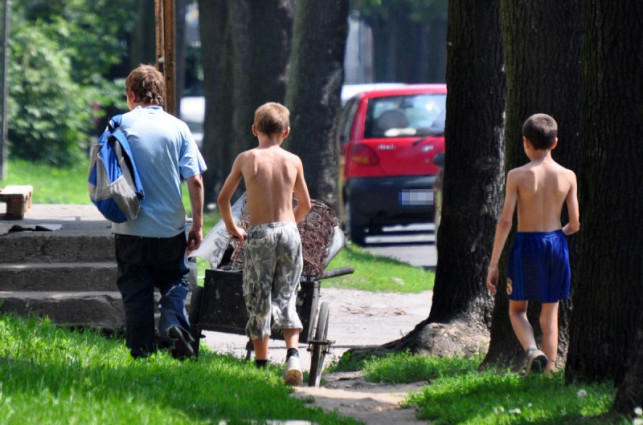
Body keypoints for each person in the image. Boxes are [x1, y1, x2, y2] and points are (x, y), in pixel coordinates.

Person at [113, 64, 207, 360]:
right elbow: (195, 180)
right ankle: (173, 323)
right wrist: (198, 225)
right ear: (159, 95)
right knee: (174, 280)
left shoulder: (118, 125)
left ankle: (141, 352)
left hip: (129, 226)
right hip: (169, 228)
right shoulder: (178, 127)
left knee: (135, 288)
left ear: (132, 95)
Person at [217, 102, 312, 386]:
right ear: (286, 132)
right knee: (287, 293)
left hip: (259, 234)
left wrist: (233, 227)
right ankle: (293, 356)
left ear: (254, 129)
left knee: (259, 297)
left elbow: (223, 199)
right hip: (288, 233)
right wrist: (289, 224)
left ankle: (261, 364)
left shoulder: (247, 159)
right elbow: (305, 204)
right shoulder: (293, 160)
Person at [486, 113, 580, 375]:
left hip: (526, 244)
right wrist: (556, 235)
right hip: (556, 243)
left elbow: (506, 221)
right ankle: (547, 374)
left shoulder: (517, 175)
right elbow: (575, 224)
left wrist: (494, 264)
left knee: (517, 310)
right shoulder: (568, 176)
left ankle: (531, 350)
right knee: (550, 317)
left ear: (526, 141)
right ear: (555, 142)